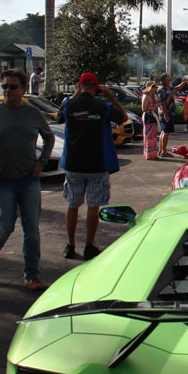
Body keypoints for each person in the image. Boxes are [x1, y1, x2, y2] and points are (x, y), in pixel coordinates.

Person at [0, 69, 55, 292]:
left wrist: (43, 161)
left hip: (29, 179)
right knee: (4, 226)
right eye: (4, 87)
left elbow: (48, 137)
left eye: (12, 87)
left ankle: (31, 275)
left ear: (23, 89)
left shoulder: (32, 113)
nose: (7, 91)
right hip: (2, 179)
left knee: (32, 228)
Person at [61, 72, 126, 261]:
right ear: (97, 87)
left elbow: (59, 117)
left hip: (73, 163)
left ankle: (70, 245)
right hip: (96, 163)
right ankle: (89, 245)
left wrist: (75, 95)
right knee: (93, 205)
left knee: (72, 204)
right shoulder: (102, 106)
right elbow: (122, 117)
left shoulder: (68, 104)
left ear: (79, 86)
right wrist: (111, 97)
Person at [157, 73, 177, 157]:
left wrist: (183, 83)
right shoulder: (161, 89)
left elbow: (175, 89)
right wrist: (165, 114)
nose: (170, 80)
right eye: (169, 79)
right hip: (166, 113)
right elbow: (162, 103)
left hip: (167, 113)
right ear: (164, 80)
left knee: (164, 132)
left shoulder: (167, 88)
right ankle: (163, 151)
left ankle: (161, 150)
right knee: (166, 132)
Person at [141, 80, 160, 160]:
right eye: (154, 87)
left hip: (151, 115)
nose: (155, 89)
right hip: (148, 116)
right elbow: (144, 109)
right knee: (149, 136)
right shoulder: (146, 96)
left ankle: (153, 154)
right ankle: (149, 154)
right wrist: (154, 107)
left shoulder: (151, 96)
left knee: (153, 136)